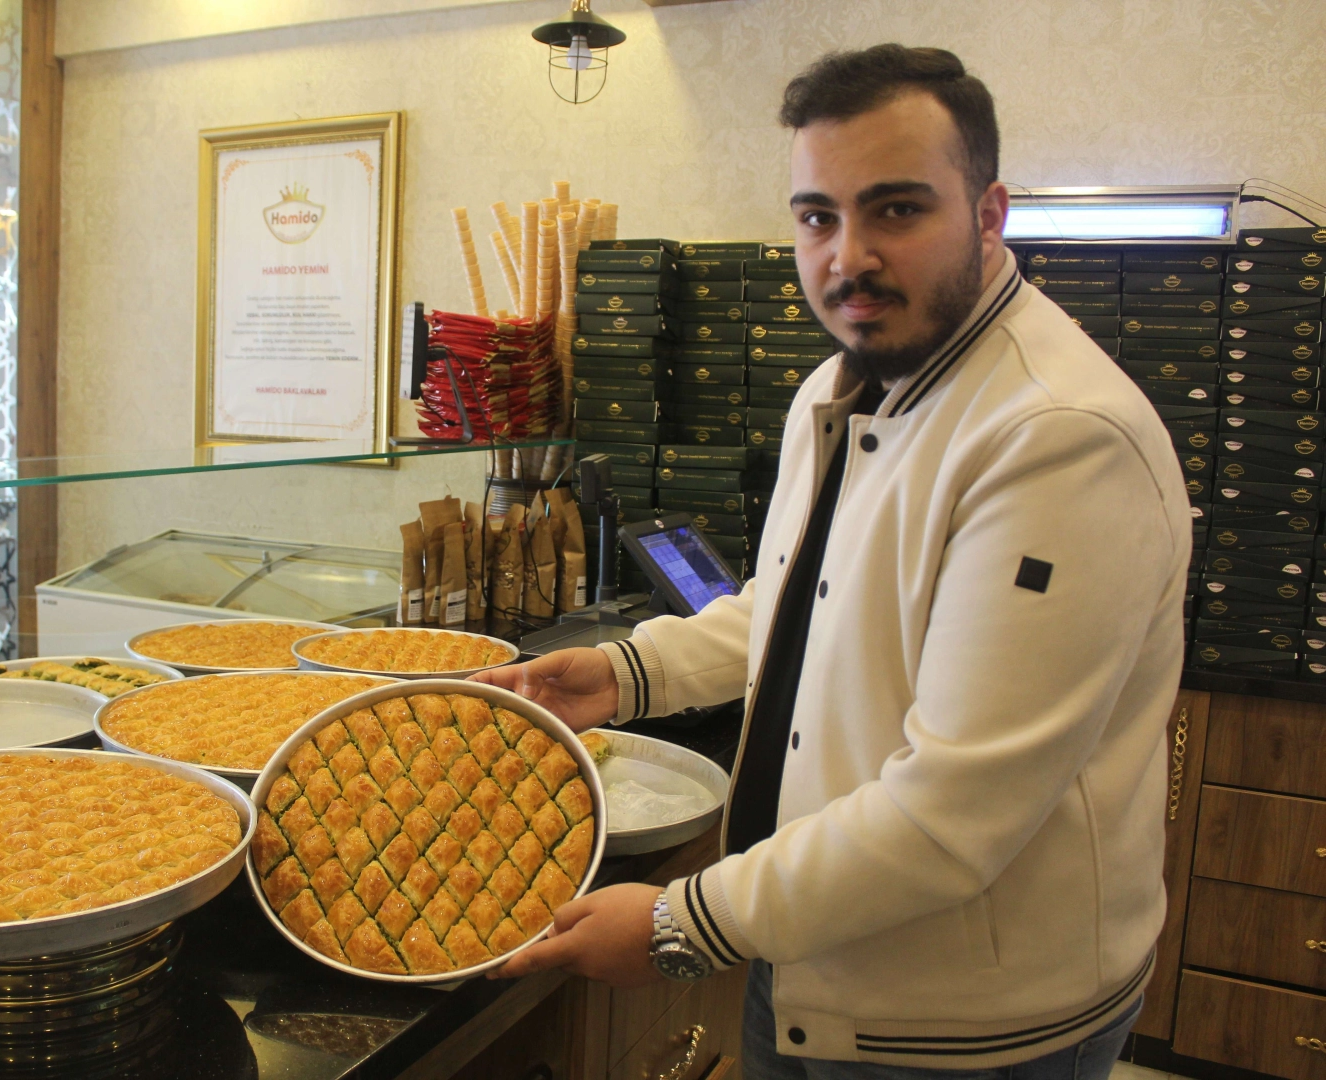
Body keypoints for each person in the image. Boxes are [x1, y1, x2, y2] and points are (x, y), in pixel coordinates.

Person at [473, 43, 1188, 1080]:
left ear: (990, 215)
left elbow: (952, 815)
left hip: (967, 1026)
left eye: (897, 209)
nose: (847, 255)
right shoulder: (847, 382)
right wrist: (632, 671)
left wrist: (683, 922)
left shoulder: (1059, 438)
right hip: (808, 952)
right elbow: (810, 602)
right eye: (818, 215)